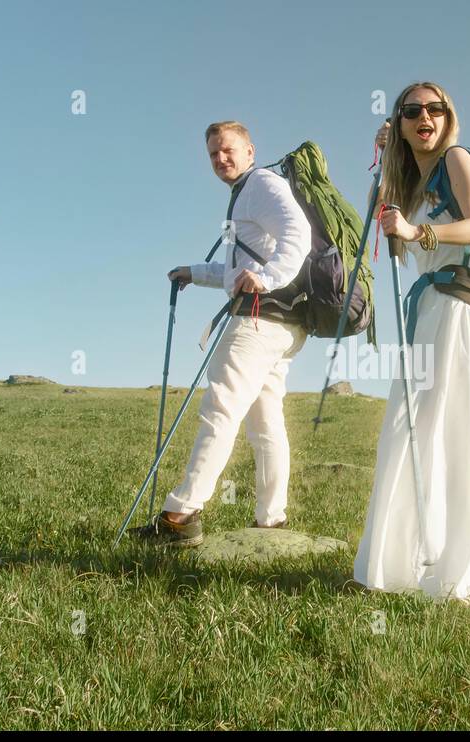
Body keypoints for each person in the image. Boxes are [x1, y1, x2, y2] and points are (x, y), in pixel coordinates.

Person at [352, 82, 470, 600]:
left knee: (464, 429)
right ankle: (405, 564)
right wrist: (388, 181)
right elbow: (398, 252)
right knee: (412, 427)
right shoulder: (412, 183)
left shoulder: (458, 159)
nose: (425, 117)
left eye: (435, 109)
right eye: (412, 111)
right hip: (430, 312)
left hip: (462, 310)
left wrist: (420, 234)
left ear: (448, 116)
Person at [131, 121, 311, 545]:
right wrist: (194, 273)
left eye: (228, 150)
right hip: (283, 321)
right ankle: (272, 518)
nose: (220, 159)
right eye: (213, 154)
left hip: (259, 317)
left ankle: (181, 514)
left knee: (221, 407)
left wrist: (267, 278)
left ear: (250, 150)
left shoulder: (261, 184)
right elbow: (236, 270)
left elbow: (298, 234)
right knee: (266, 422)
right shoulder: (244, 195)